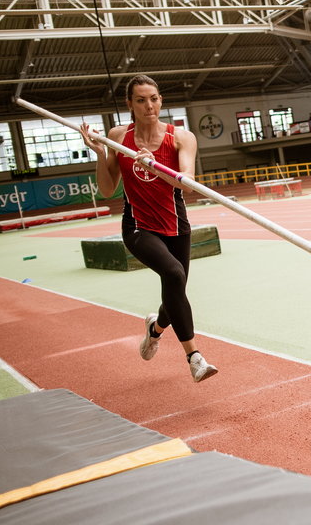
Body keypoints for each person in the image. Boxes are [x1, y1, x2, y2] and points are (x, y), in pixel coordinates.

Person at [79, 74, 218, 382]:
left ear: (160, 101)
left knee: (175, 289)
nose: (148, 105)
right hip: (139, 225)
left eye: (153, 99)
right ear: (130, 105)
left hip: (176, 223)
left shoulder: (182, 137)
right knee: (173, 274)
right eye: (140, 100)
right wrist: (101, 153)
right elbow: (106, 188)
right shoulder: (118, 136)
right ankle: (194, 356)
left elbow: (189, 184)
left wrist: (154, 164)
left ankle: (154, 330)